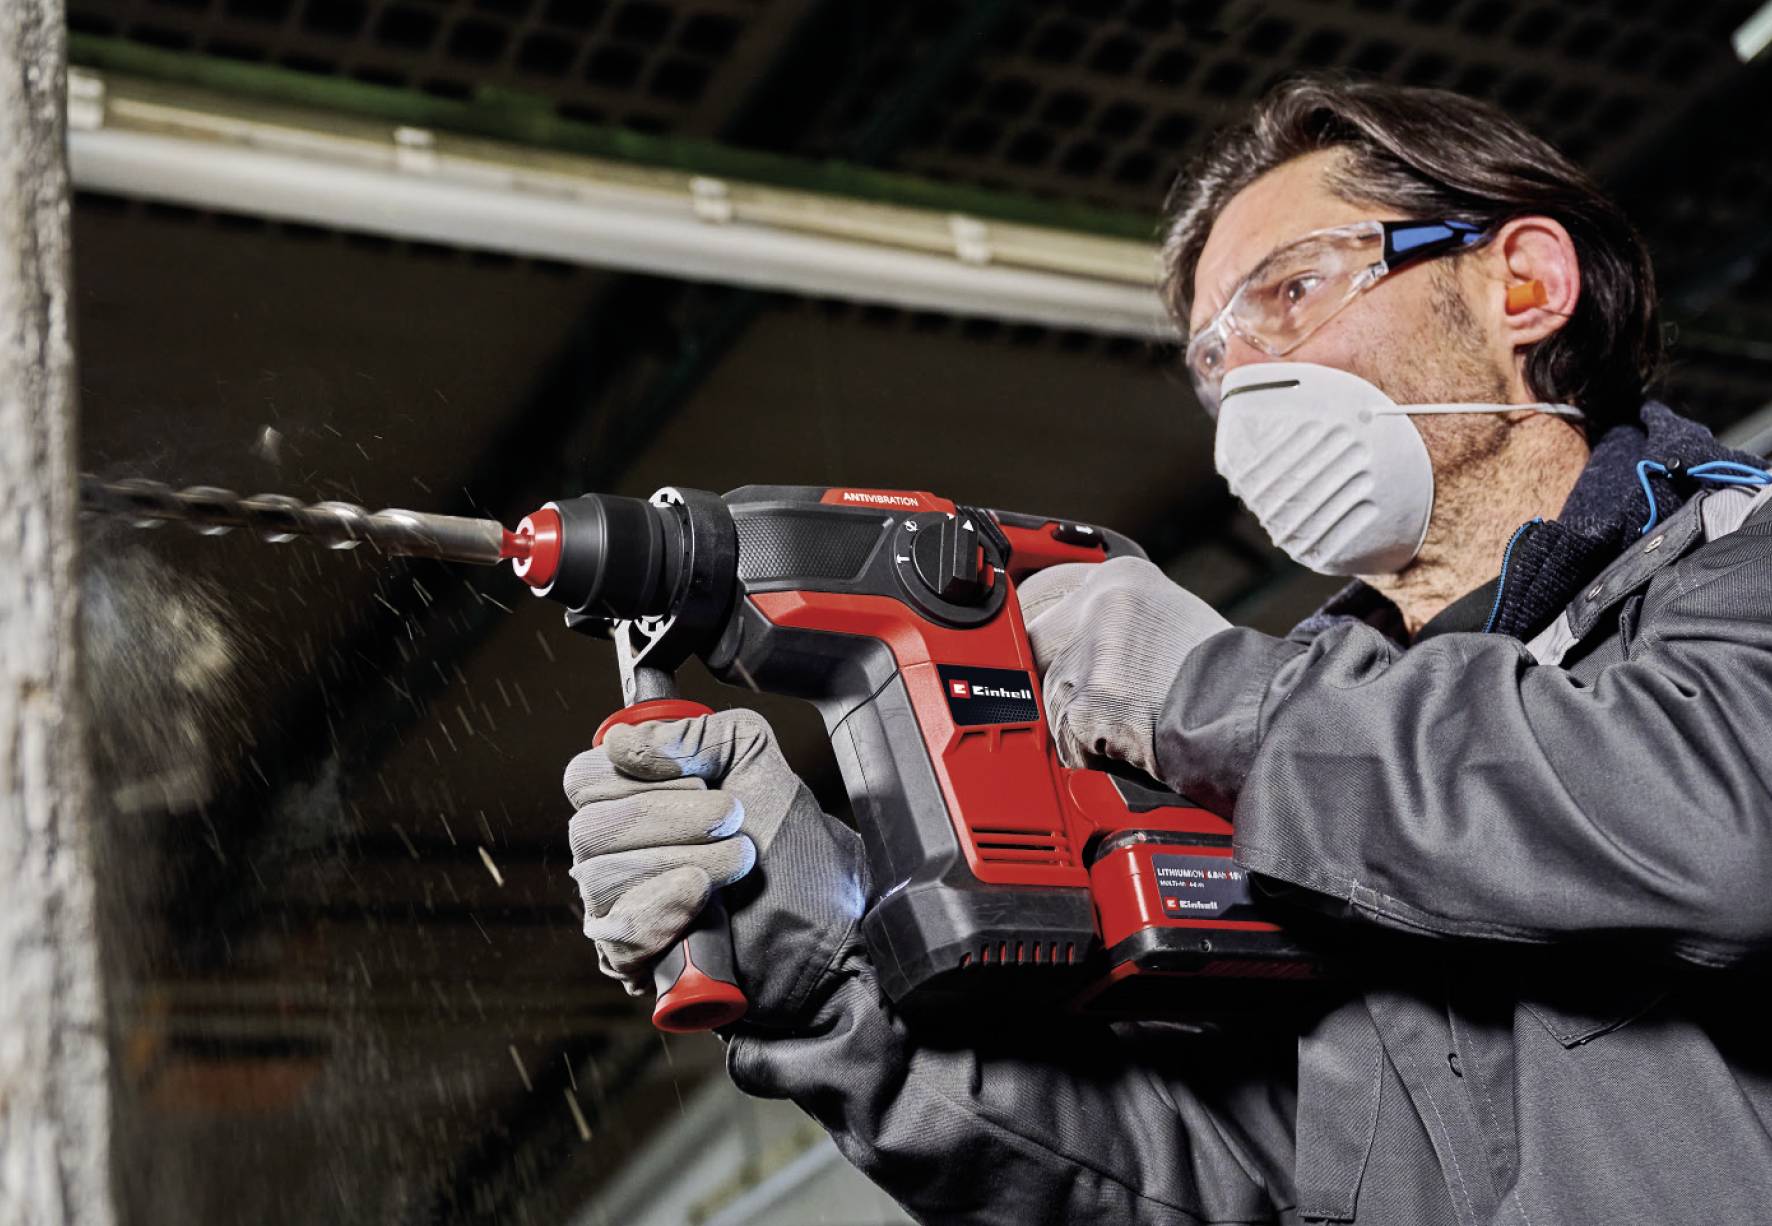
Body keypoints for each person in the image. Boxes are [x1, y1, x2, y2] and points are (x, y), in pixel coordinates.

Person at [561, 77, 1772, 1224]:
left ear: (1524, 283)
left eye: (1288, 293)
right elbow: (1191, 1180)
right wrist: (821, 964)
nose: (1244, 383)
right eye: (1210, 359)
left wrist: (1195, 687)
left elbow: (1719, 823)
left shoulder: (1741, 557)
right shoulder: (1291, 790)